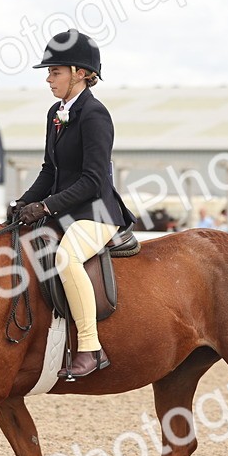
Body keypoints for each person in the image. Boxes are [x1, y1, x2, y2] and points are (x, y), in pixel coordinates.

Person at [14, 29, 135, 379]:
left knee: (67, 259)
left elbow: (94, 180)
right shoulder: (57, 111)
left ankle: (90, 348)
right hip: (64, 209)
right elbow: (49, 169)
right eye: (48, 73)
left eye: (55, 72)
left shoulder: (95, 115)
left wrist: (47, 207)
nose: (49, 80)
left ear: (80, 73)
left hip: (95, 212)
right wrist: (23, 202)